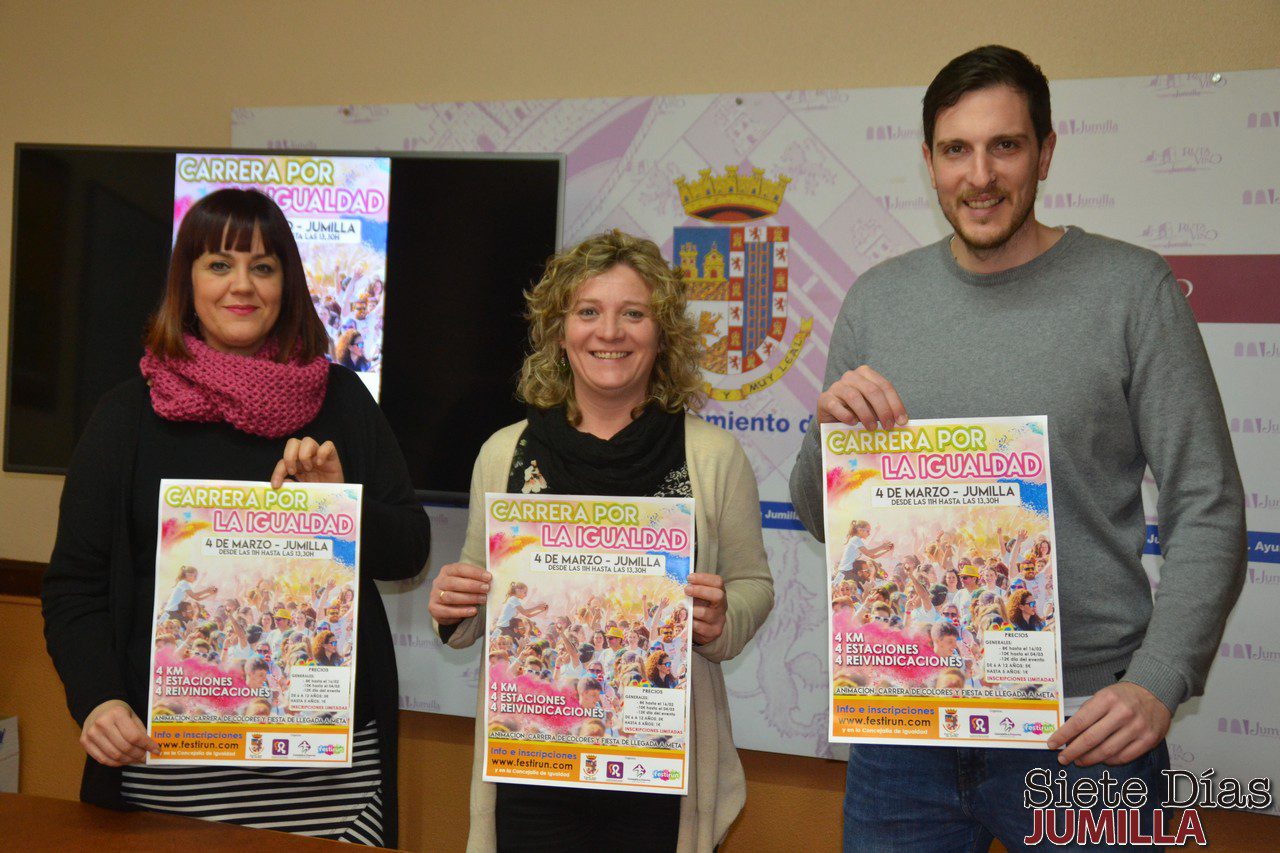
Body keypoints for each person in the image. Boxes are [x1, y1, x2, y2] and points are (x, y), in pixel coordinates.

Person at [787, 45, 1245, 850]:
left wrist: (1160, 679)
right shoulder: (877, 301)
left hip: (1084, 731)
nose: (980, 175)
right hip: (905, 729)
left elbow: (1206, 503)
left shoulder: (1131, 289)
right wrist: (825, 440)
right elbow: (825, 520)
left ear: (1046, 151)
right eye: (956, 150)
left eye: (1005, 145)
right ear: (928, 161)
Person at [41, 188, 430, 847]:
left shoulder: (342, 402)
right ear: (187, 282)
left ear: (287, 284)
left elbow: (409, 549)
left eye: (263, 267)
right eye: (219, 264)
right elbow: (74, 586)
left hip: (329, 789)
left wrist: (341, 504)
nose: (241, 285)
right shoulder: (126, 416)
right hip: (166, 781)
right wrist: (98, 698)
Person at [428, 230, 774, 852]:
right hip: (532, 773)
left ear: (661, 333)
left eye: (633, 313)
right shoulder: (504, 454)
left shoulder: (712, 456)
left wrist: (722, 619)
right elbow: (477, 601)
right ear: (559, 331)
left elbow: (754, 585)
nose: (609, 332)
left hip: (660, 777)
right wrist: (454, 604)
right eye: (588, 311)